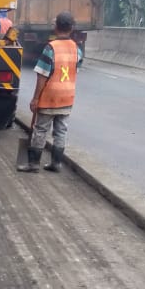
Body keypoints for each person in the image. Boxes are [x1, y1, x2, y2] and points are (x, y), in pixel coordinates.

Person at [18, 11, 82, 173]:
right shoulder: (77, 49)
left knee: (40, 129)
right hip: (67, 97)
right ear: (72, 28)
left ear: (55, 27)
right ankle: (56, 163)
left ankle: (33, 164)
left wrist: (35, 99)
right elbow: (75, 70)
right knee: (61, 130)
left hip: (50, 96)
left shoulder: (51, 48)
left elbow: (42, 76)